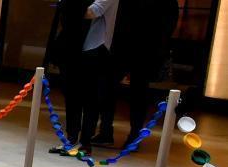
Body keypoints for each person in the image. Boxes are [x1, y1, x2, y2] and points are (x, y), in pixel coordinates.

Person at [93, 0, 178, 148]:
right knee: (118, 89)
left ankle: (122, 133)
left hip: (139, 46)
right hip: (130, 45)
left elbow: (168, 22)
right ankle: (114, 132)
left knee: (132, 91)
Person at [45, 0, 92, 154]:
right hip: (73, 47)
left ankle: (78, 140)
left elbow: (74, 17)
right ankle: (74, 138)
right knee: (73, 96)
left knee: (76, 96)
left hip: (77, 48)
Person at [74, 0, 119, 155]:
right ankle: (75, 138)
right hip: (87, 46)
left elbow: (93, 11)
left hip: (97, 48)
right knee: (81, 96)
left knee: (90, 99)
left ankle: (85, 141)